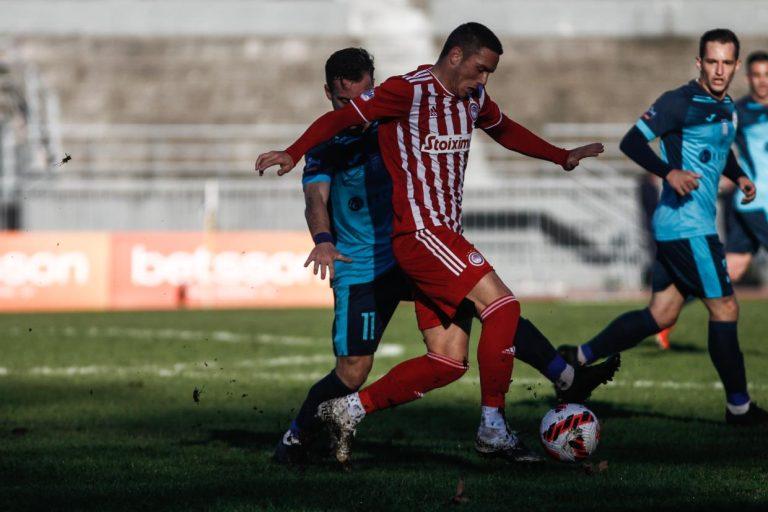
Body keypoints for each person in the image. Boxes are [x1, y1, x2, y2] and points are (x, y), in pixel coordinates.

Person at [258, 23, 620, 463]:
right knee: (493, 309)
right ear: (455, 55)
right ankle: (494, 425)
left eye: (489, 73)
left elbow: (505, 129)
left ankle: (349, 410)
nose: (484, 79)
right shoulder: (401, 97)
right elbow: (322, 179)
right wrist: (297, 159)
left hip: (422, 245)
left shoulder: (467, 99)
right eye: (480, 69)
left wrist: (560, 156)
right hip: (404, 243)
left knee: (450, 359)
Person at [559, 29, 767, 426]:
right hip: (688, 228)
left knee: (662, 313)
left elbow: (721, 151)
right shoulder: (678, 102)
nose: (719, 70)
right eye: (712, 61)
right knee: (725, 307)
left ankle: (577, 357)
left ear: (736, 65)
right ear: (699, 62)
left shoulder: (728, 107)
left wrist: (739, 176)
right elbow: (632, 142)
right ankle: (739, 408)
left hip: (682, 228)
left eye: (726, 62)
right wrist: (668, 172)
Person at [726, 50, 768, 280]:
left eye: (767, 74)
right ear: (748, 78)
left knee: (734, 265)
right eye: (757, 75)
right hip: (758, 200)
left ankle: (677, 294)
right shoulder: (738, 112)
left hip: (751, 205)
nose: (762, 81)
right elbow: (718, 147)